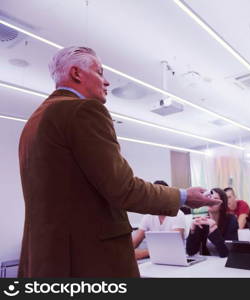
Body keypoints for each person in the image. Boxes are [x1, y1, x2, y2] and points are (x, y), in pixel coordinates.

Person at [17, 46, 220, 277]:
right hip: (90, 260)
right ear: (76, 73)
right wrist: (184, 196)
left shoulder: (33, 123)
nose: (106, 82)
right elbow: (124, 189)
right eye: (100, 72)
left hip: (48, 260)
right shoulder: (83, 110)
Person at [131, 180, 186, 260]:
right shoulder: (148, 215)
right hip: (154, 258)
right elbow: (134, 242)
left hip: (175, 258)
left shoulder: (178, 214)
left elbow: (173, 246)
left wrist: (145, 253)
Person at [186, 188, 238, 257]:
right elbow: (190, 251)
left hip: (224, 263)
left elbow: (228, 253)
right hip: (208, 263)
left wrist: (214, 229)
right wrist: (192, 230)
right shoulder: (203, 221)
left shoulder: (231, 220)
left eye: (215, 198)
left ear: (222, 204)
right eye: (209, 198)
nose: (211, 201)